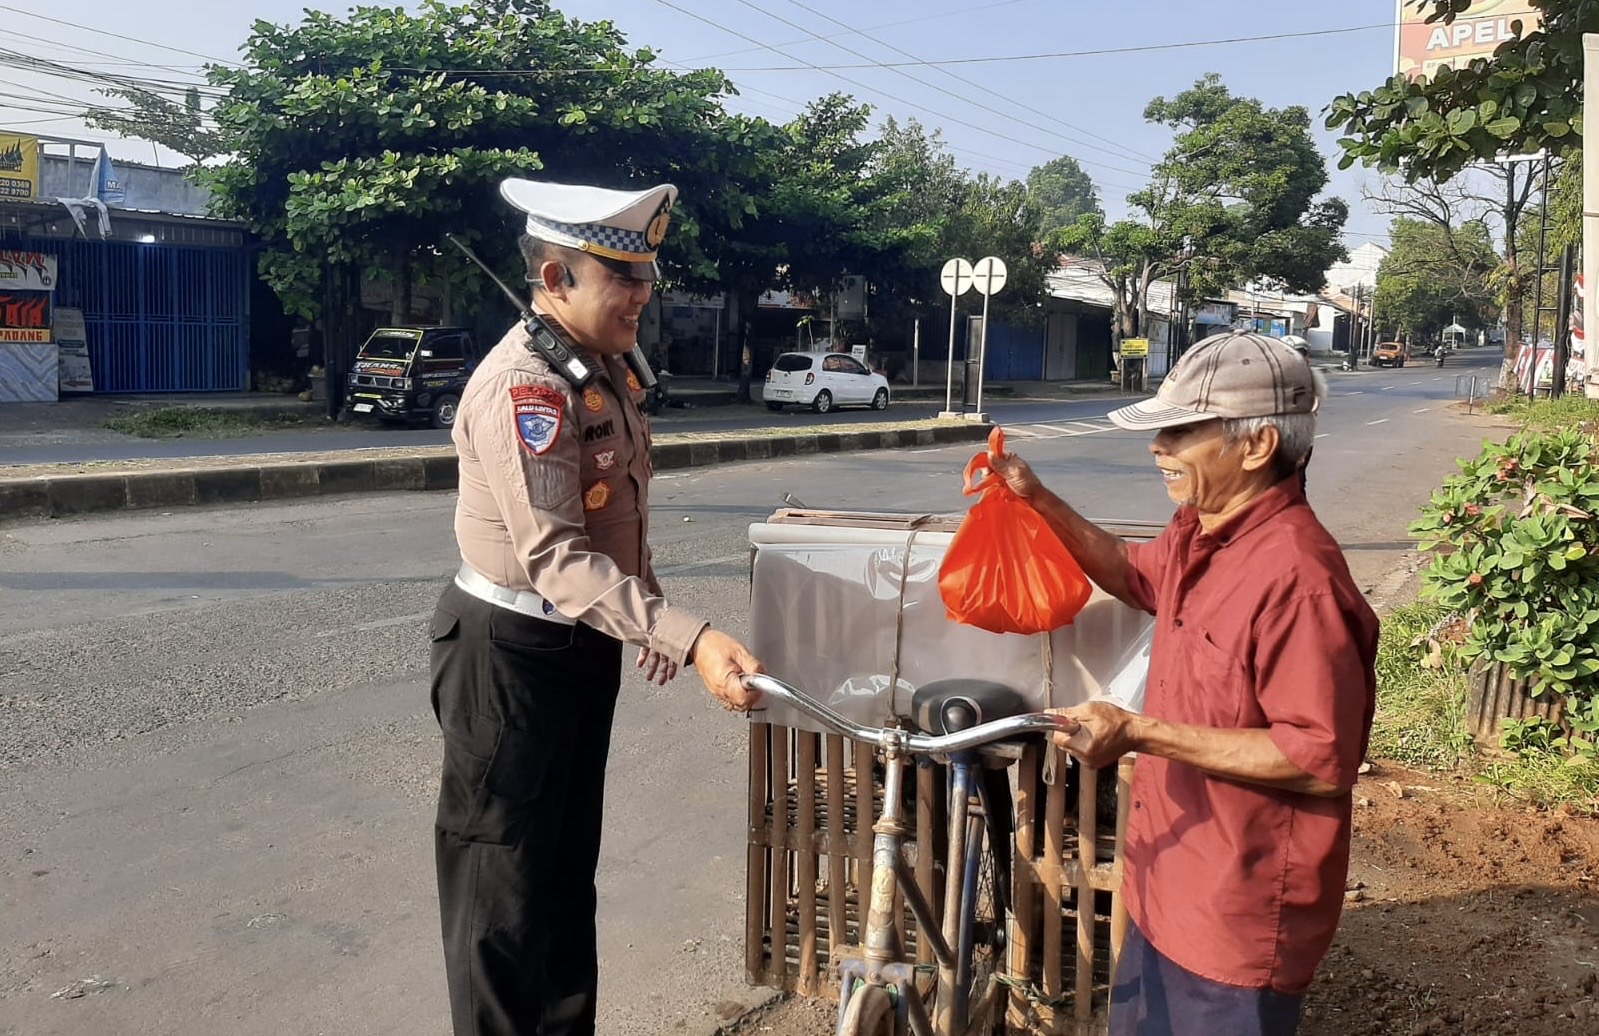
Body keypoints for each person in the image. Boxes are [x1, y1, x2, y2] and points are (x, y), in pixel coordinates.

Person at [429, 177, 763, 1036]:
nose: (644, 296)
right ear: (555, 279)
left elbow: (614, 508)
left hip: (577, 646)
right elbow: (553, 555)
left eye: (646, 277)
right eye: (622, 277)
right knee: (503, 893)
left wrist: (639, 607)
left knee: (563, 876)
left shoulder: (600, 371)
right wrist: (685, 637)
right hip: (508, 654)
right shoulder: (524, 387)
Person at [986, 331, 1378, 1035]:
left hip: (1235, 915)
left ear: (1255, 446)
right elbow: (1135, 575)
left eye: (1178, 431)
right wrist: (1035, 497)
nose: (1157, 448)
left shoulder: (1298, 578)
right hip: (1166, 882)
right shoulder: (1201, 530)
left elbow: (1318, 760)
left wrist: (1137, 730)